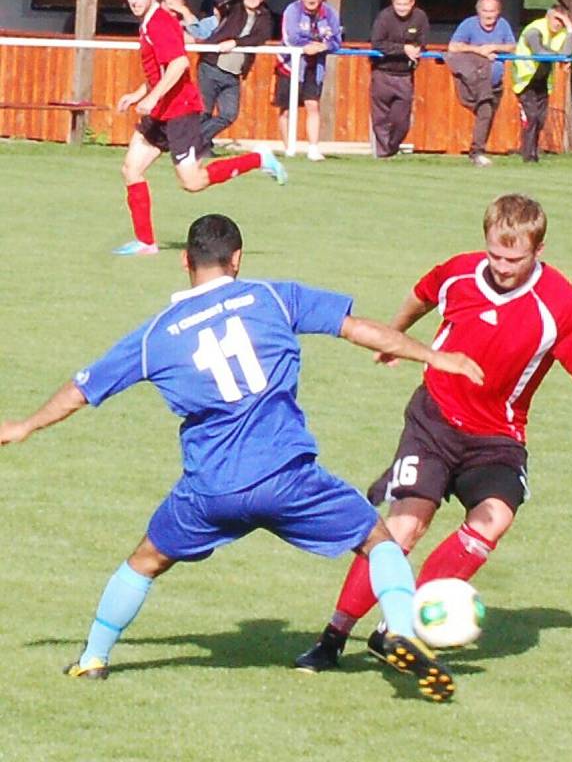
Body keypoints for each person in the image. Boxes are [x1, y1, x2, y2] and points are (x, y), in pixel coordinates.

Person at [0, 213, 486, 701]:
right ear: (237, 260)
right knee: (379, 541)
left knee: (144, 561)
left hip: (212, 491)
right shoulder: (273, 297)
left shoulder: (156, 335)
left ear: (185, 261)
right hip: (288, 478)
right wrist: (436, 357)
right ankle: (400, 627)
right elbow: (357, 329)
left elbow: (83, 390)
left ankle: (92, 660)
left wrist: (24, 425)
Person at [294, 193, 572, 673]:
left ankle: (398, 630)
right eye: (494, 253)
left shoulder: (560, 306)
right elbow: (424, 292)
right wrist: (395, 336)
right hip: (433, 421)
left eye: (514, 258)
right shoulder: (460, 272)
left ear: (539, 249)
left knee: (494, 518)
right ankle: (333, 637)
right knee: (404, 528)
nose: (501, 266)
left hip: (497, 439)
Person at [114, 0, 286, 257]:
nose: (134, 0)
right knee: (131, 169)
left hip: (180, 111)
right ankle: (146, 243)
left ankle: (259, 158)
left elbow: (179, 64)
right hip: (161, 111)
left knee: (192, 182)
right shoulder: (147, 23)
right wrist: (138, 94)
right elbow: (161, 69)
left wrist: (153, 96)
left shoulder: (160, 23)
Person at [164, 0, 273, 154]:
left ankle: (191, 143)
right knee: (204, 112)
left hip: (234, 73)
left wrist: (235, 42)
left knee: (228, 115)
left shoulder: (264, 16)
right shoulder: (233, 9)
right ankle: (197, 147)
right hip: (211, 66)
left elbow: (260, 36)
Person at [274, 0, 342, 162]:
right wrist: (307, 46)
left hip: (315, 65)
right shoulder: (292, 10)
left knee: (313, 105)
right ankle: (289, 148)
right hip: (290, 65)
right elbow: (290, 37)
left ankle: (313, 148)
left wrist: (323, 46)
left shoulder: (329, 13)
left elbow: (337, 40)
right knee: (286, 109)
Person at [447, 0, 515, 166]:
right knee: (485, 111)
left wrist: (494, 47)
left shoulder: (503, 25)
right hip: (476, 81)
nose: (489, 15)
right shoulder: (468, 24)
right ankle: (477, 152)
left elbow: (513, 46)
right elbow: (453, 47)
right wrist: (479, 51)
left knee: (488, 115)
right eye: (485, 11)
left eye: (492, 11)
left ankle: (478, 151)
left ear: (498, 12)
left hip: (496, 81)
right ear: (478, 12)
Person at [369, 0, 429, 159]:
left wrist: (417, 49)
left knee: (401, 121)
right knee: (380, 118)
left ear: (412, 3)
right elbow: (377, 43)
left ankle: (392, 148)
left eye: (405, 4)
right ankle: (383, 154)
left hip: (405, 75)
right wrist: (403, 49)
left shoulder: (420, 17)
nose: (401, 8)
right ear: (393, 3)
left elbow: (423, 42)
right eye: (398, 4)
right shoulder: (384, 17)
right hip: (382, 72)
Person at [511, 6, 572, 162]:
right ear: (548, 17)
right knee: (531, 117)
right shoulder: (534, 29)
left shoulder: (562, 34)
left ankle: (532, 153)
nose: (558, 24)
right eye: (556, 19)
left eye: (562, 21)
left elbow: (566, 53)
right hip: (525, 80)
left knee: (540, 119)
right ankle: (528, 156)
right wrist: (560, 57)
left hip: (543, 80)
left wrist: (571, 30)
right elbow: (539, 52)